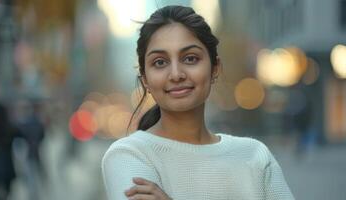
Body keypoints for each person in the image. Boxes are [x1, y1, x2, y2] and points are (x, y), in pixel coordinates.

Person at [102, 5, 294, 200]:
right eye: (160, 62)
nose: (176, 74)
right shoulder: (129, 156)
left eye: (190, 58)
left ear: (215, 68)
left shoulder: (255, 156)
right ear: (145, 79)